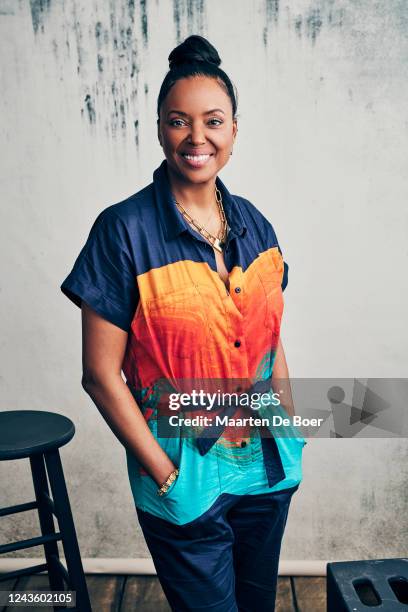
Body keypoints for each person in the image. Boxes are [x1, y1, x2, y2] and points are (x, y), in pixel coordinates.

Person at [61, 34, 307, 612]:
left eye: (213, 121)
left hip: (266, 471)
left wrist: (291, 427)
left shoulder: (256, 225)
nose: (198, 138)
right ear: (161, 130)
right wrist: (166, 474)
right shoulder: (122, 232)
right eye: (179, 122)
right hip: (184, 478)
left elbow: (272, 345)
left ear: (234, 132)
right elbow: (99, 375)